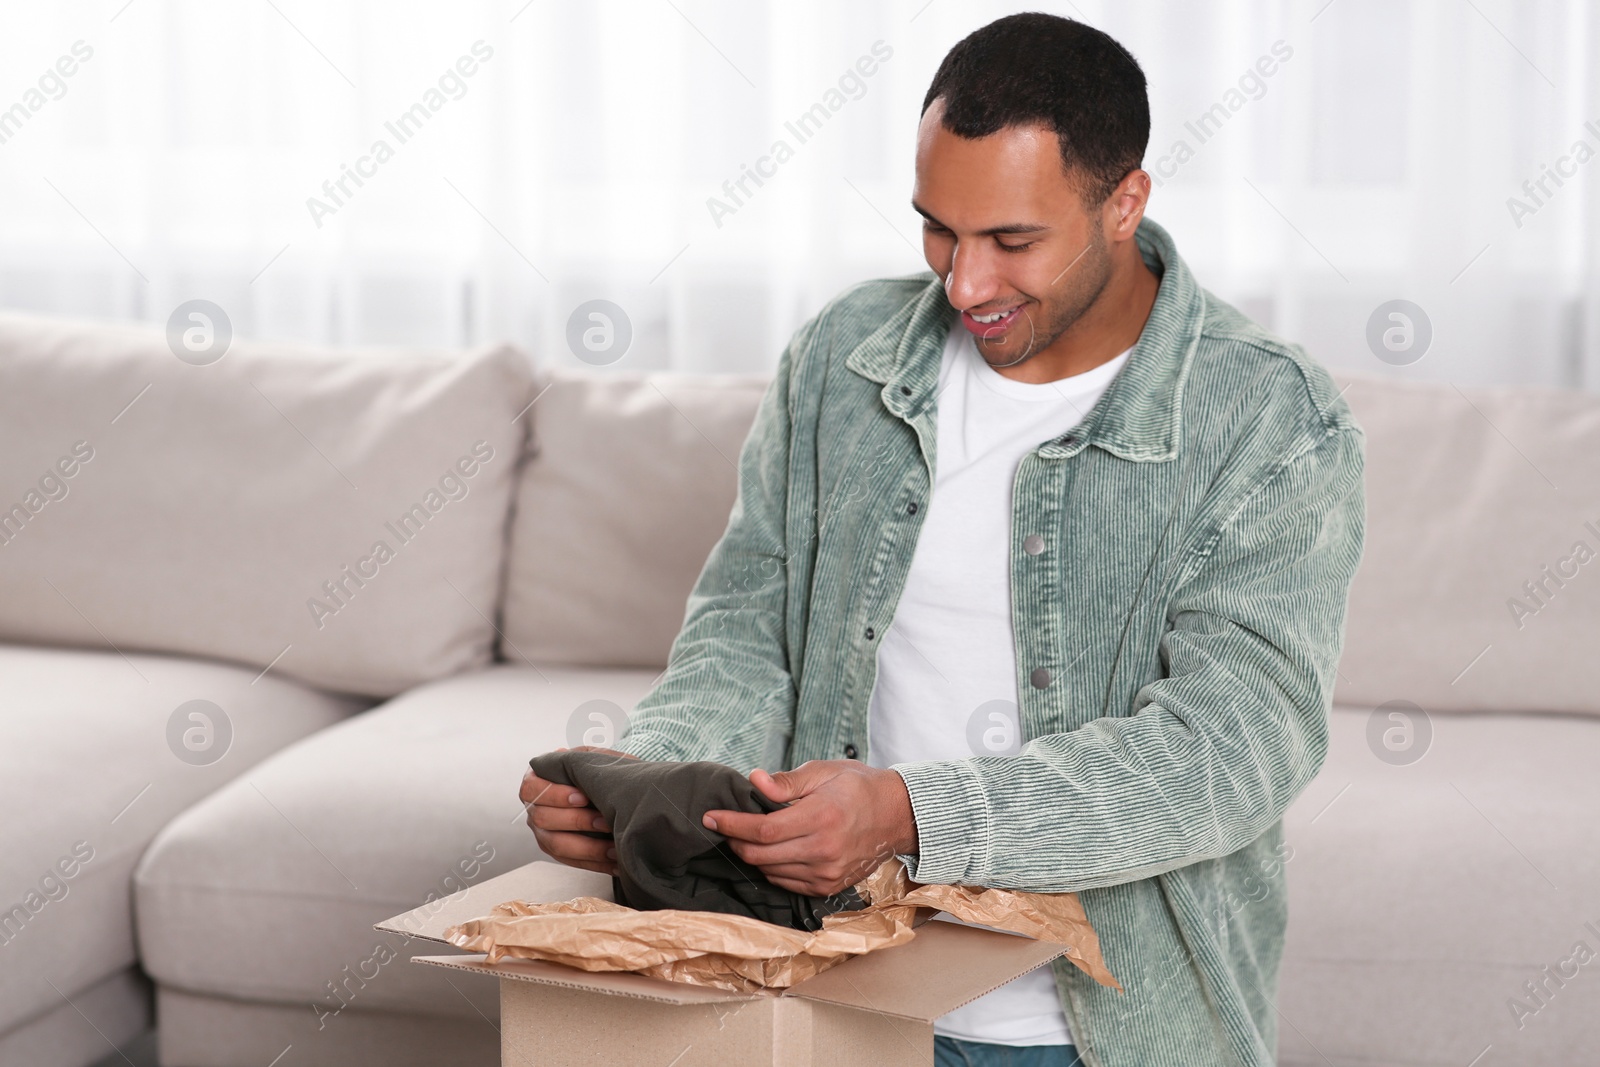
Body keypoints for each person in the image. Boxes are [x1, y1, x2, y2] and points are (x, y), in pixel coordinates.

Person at [521, 13, 1364, 1067]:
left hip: (1097, 1030)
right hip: (832, 997)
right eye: (937, 229)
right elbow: (746, 632)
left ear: (1124, 203)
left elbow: (1228, 751)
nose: (962, 284)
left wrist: (914, 811)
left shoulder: (1267, 416)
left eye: (1012, 241)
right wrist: (647, 783)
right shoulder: (843, 356)